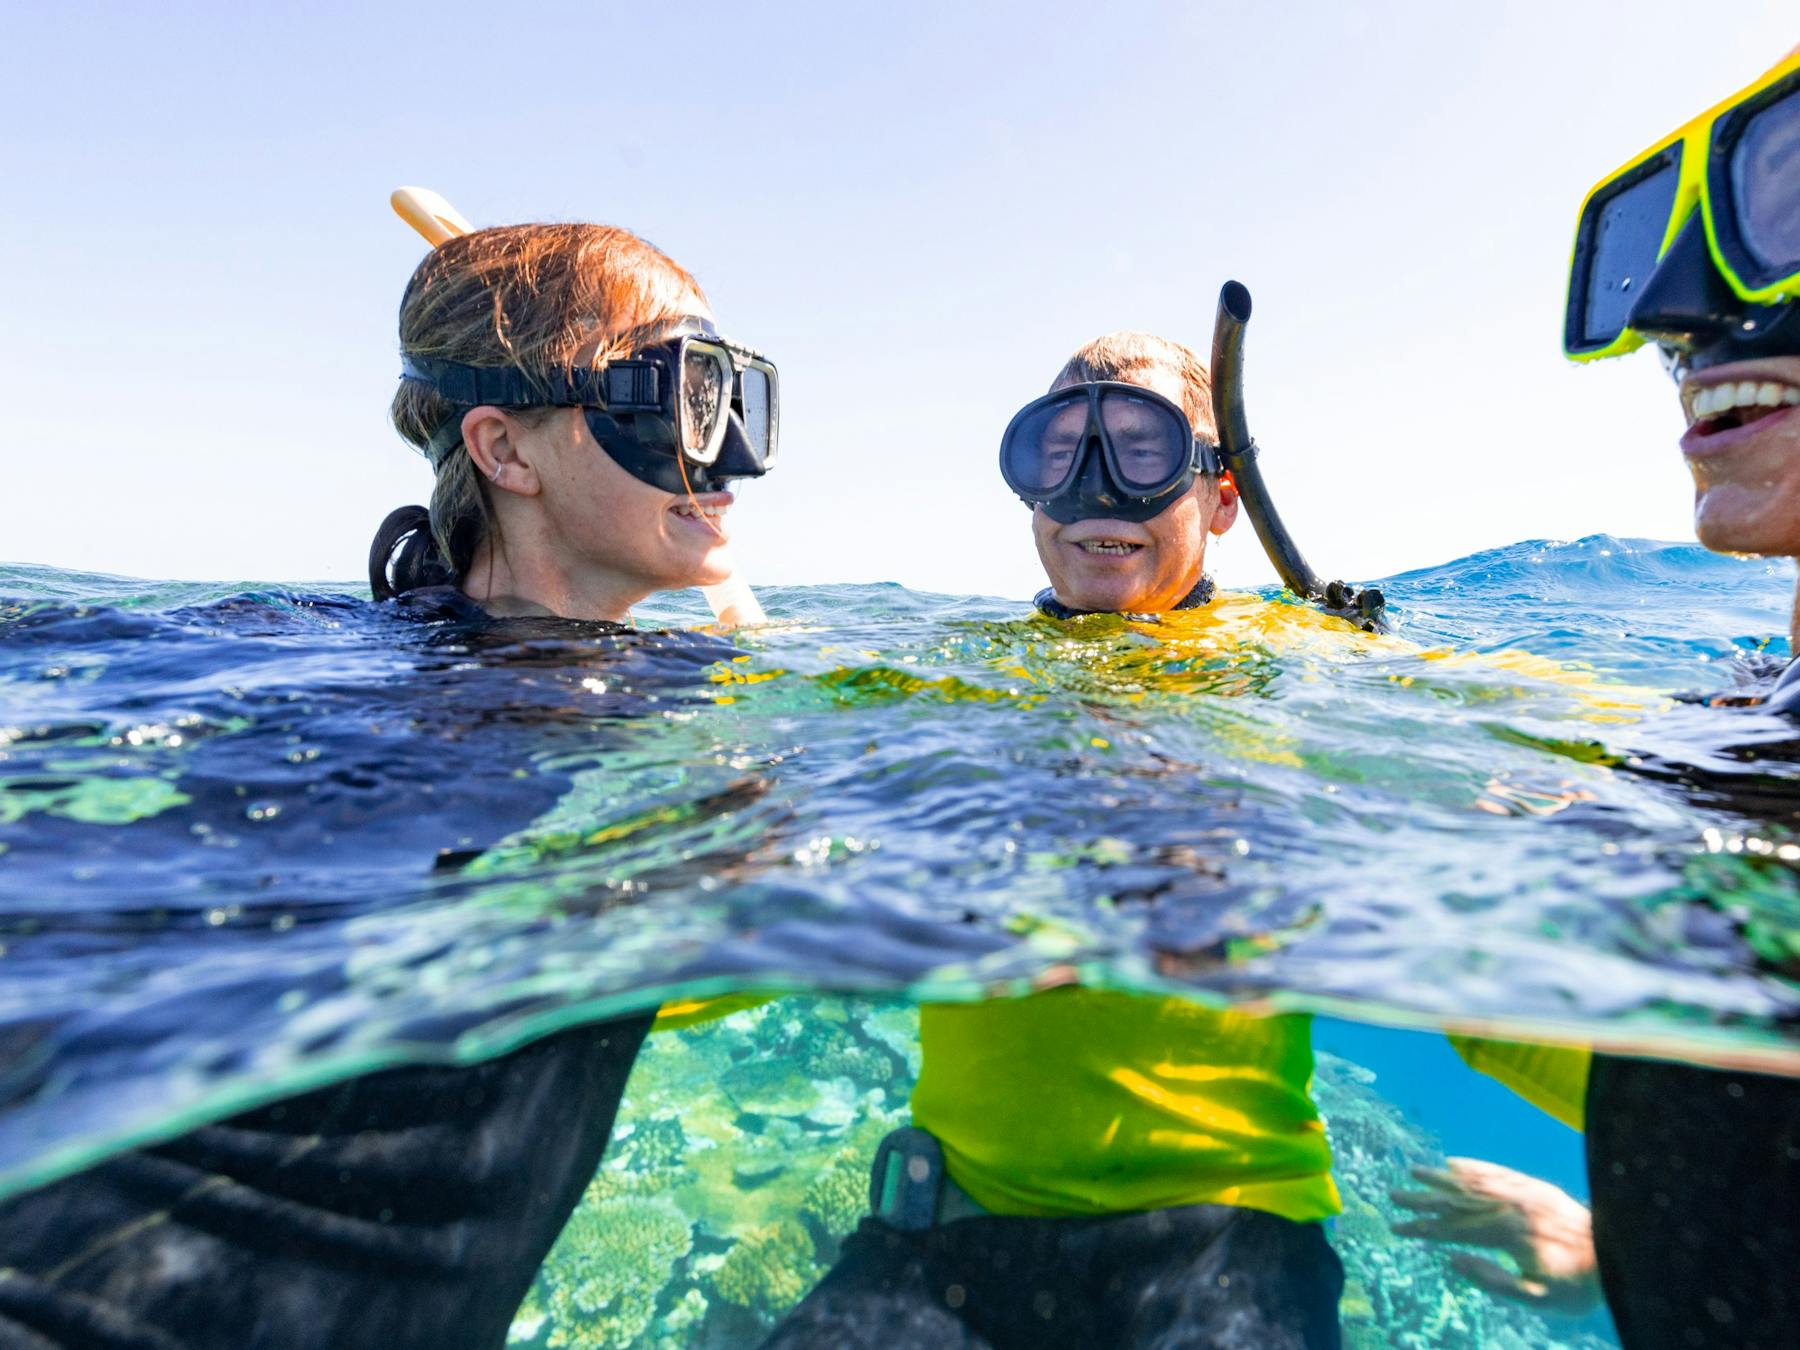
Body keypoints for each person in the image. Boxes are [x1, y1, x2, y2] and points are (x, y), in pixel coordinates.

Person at [0, 219, 780, 1350]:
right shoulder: (306, 670)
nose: (728, 459)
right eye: (676, 401)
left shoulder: (658, 697)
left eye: (735, 404)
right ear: (506, 453)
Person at [764, 331, 1348, 1350]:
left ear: (1221, 495)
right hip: (951, 1224)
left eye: (1141, 450)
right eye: (1059, 456)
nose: (1095, 490)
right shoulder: (951, 678)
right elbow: (763, 842)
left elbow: (1543, 810)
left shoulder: (1310, 669)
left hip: (1231, 1228)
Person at [1396, 46, 1800, 1350]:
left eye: (1789, 205)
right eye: (1656, 252)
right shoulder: (1729, 722)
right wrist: (1620, 1239)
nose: (1680, 315)